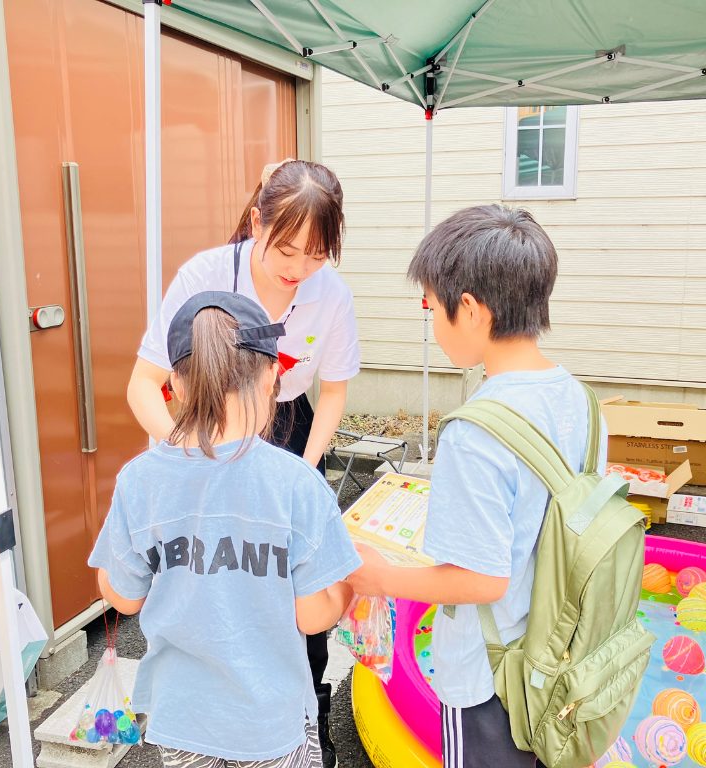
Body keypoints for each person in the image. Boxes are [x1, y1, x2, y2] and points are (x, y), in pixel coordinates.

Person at [348, 205, 607, 768]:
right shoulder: (584, 403)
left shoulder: (474, 431)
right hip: (562, 656)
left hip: (490, 679)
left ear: (469, 308)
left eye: (431, 308)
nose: (434, 325)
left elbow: (483, 579)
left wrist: (379, 575)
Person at [127, 159, 359, 766]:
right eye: (286, 249)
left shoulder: (330, 294)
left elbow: (331, 392)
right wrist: (197, 456)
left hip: (285, 423)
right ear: (255, 220)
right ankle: (202, 712)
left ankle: (304, 708)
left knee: (296, 579)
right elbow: (143, 386)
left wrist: (304, 471)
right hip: (198, 428)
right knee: (212, 582)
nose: (297, 270)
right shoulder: (205, 274)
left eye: (315, 256)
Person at [92, 291, 361, 768]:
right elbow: (314, 617)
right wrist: (347, 592)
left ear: (173, 382)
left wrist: (107, 574)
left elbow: (125, 598)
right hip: (271, 720)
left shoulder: (140, 481)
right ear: (271, 375)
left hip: (182, 718)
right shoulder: (297, 484)